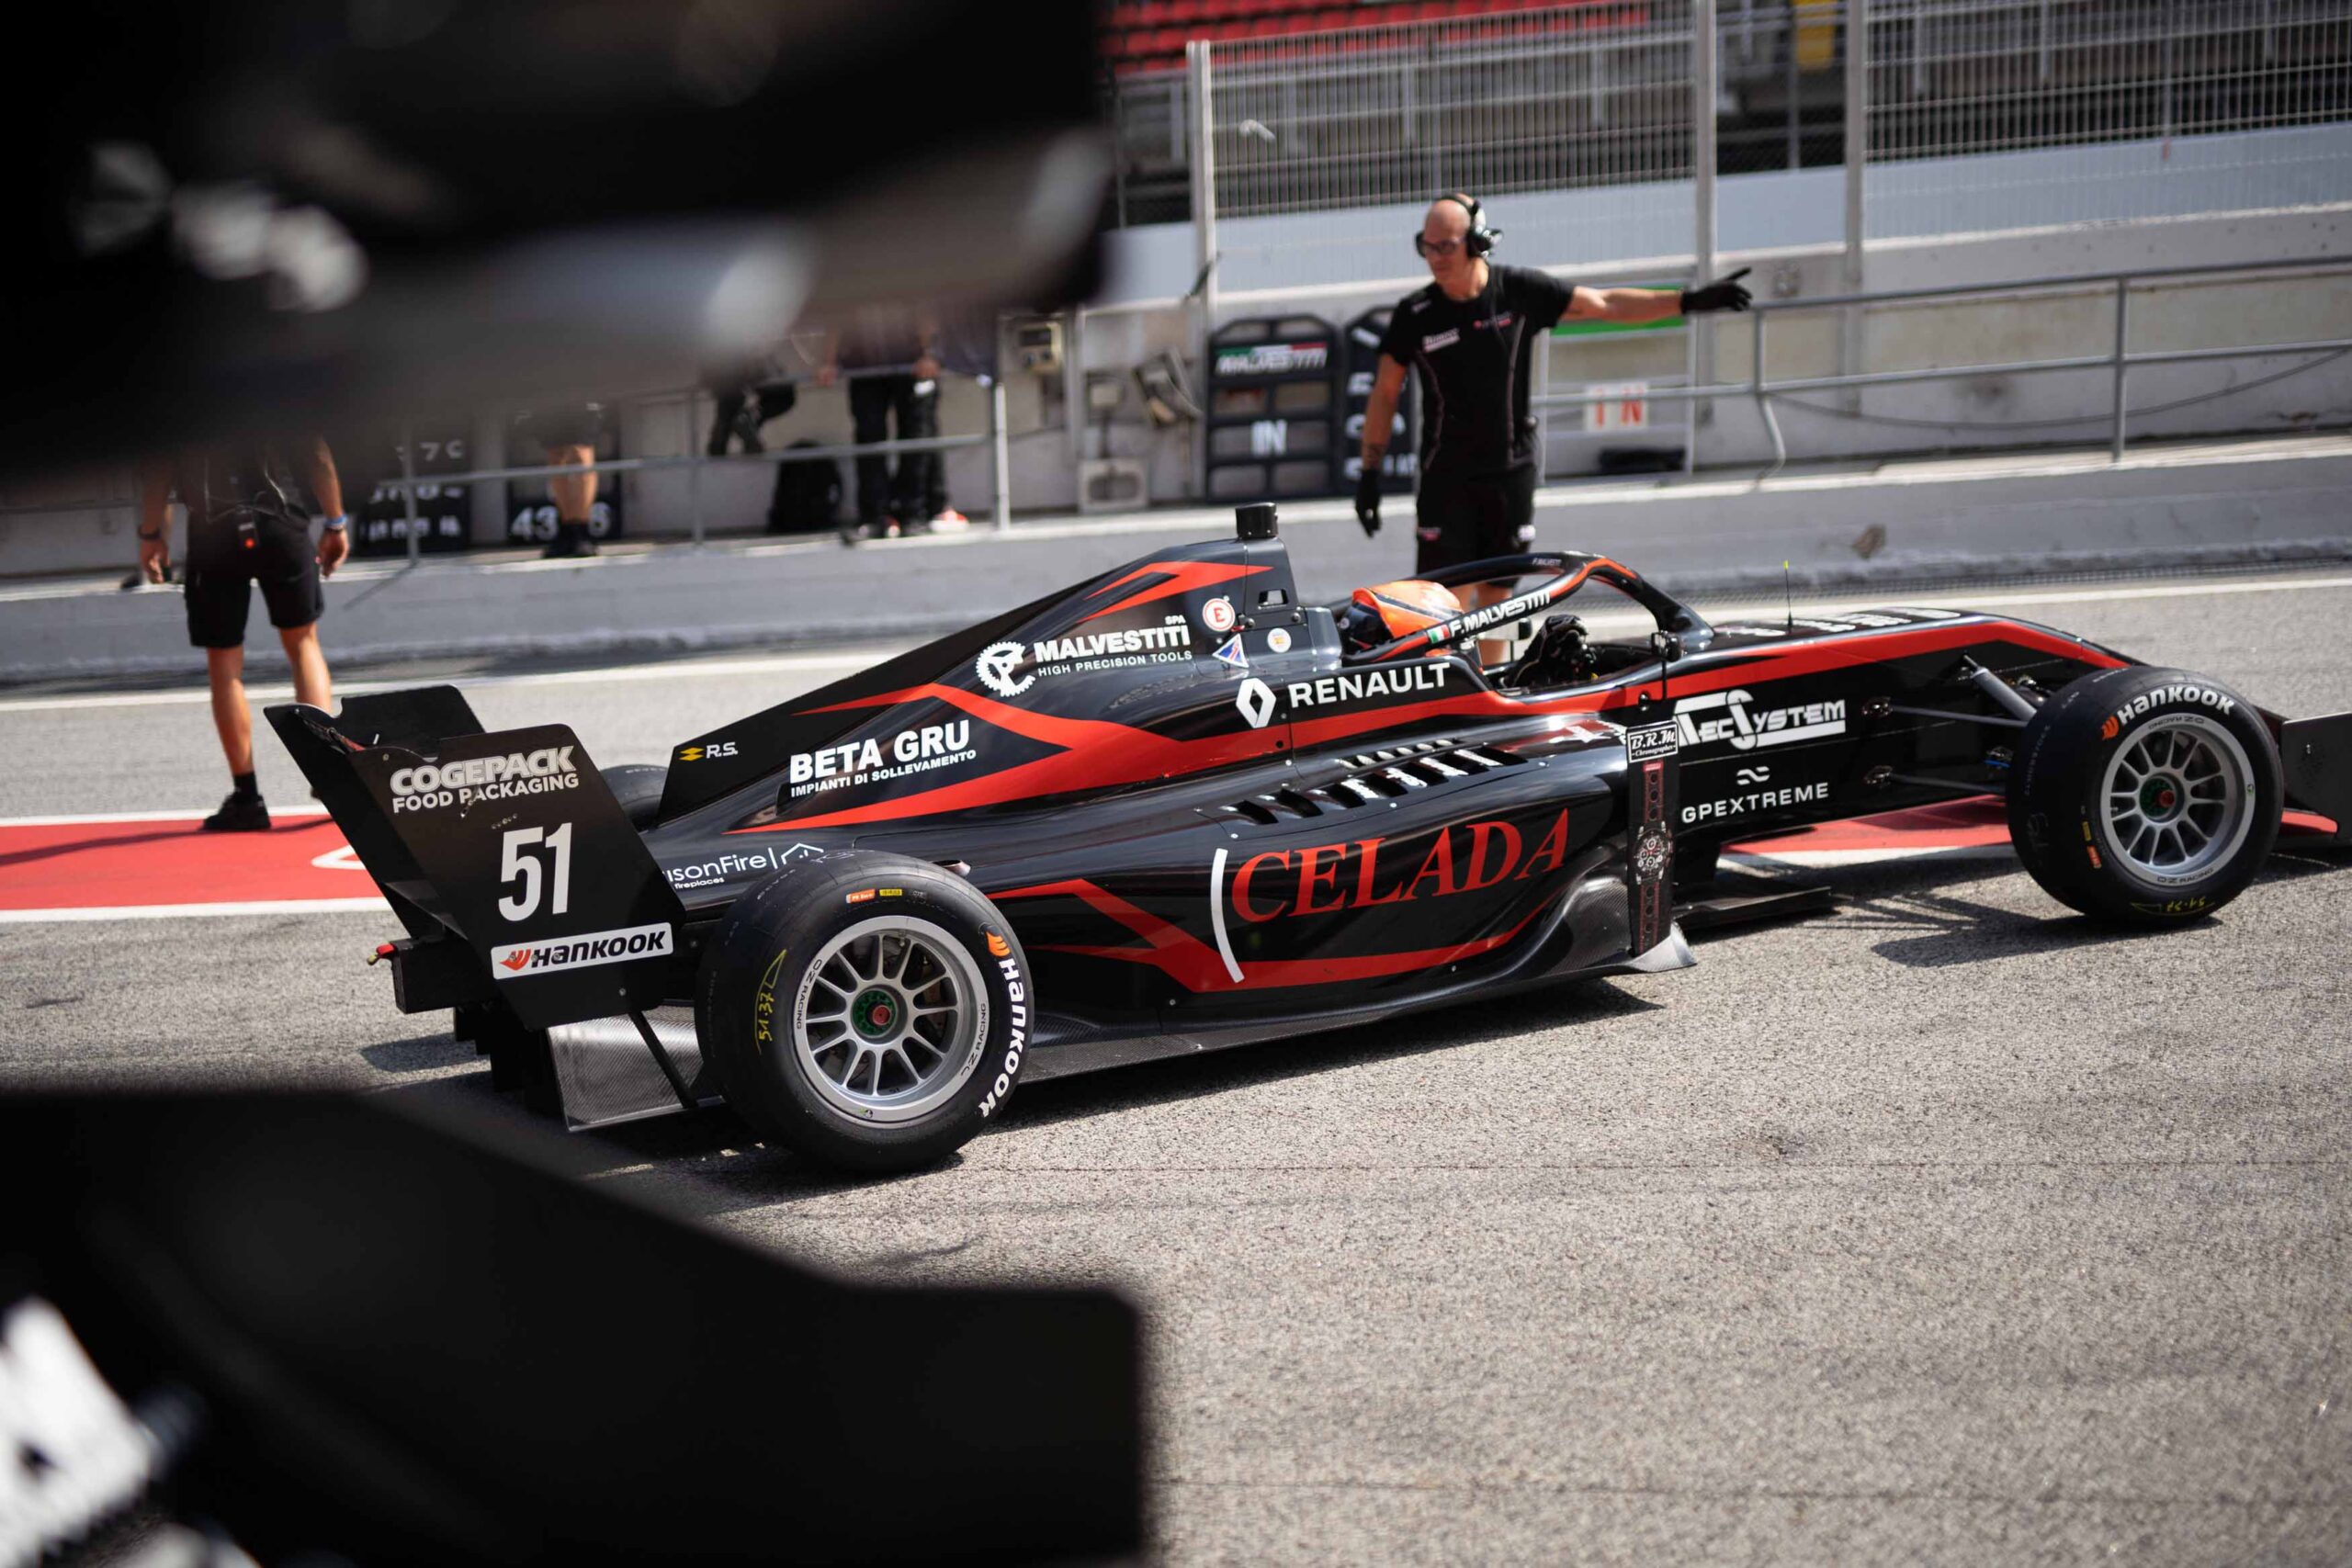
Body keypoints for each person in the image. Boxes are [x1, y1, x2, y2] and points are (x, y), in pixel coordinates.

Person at [1354, 194, 1751, 660]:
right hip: (1446, 479)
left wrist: (1686, 301)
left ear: (1478, 242)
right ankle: (1449, 693)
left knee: (1499, 600)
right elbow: (1384, 393)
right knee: (1442, 603)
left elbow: (1604, 304)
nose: (1435, 257)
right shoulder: (1415, 314)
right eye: (1427, 246)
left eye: (1447, 246)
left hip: (1511, 473)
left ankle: (1490, 691)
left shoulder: (1519, 291)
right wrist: (1369, 473)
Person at [139, 438, 348, 831]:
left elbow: (159, 471)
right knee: (303, 643)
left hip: (213, 532)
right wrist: (335, 523)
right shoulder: (275, 396)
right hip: (280, 521)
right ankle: (328, 775)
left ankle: (247, 797)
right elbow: (317, 454)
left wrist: (151, 534)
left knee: (224, 662)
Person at [818, 307, 966, 540]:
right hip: (865, 363)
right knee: (869, 437)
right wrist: (828, 360)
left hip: (911, 363)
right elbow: (837, 311)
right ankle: (874, 517)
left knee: (917, 434)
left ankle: (912, 513)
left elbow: (924, 304)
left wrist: (929, 353)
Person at [514, 401, 610, 558]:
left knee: (581, 451)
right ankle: (566, 529)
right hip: (551, 396)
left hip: (582, 394)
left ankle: (581, 530)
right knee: (556, 454)